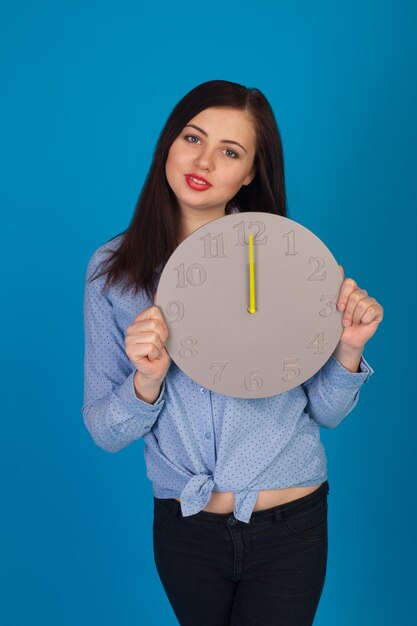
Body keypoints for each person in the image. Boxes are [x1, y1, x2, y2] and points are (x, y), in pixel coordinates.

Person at [82, 80, 383, 626]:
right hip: (185, 527)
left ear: (249, 174)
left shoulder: (288, 259)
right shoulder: (113, 273)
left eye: (230, 151)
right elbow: (105, 431)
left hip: (290, 523)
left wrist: (347, 348)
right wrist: (145, 382)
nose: (203, 160)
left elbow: (327, 412)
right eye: (192, 137)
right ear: (167, 145)